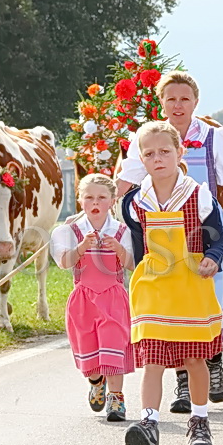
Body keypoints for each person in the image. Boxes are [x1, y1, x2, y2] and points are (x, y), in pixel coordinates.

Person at [116, 71, 223, 413]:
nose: (178, 105)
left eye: (184, 98)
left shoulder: (218, 137)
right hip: (161, 241)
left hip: (203, 237)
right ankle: (183, 386)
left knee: (209, 307)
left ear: (195, 102)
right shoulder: (149, 140)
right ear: (161, 102)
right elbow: (125, 189)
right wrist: (93, 216)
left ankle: (213, 365)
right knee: (170, 314)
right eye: (171, 98)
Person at [120, 121, 223, 445]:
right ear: (141, 159)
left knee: (194, 358)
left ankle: (199, 420)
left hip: (189, 283)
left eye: (165, 151)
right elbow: (139, 249)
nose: (158, 158)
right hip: (154, 283)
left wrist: (212, 258)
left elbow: (219, 237)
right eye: (149, 153)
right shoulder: (135, 202)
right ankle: (149, 424)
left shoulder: (199, 196)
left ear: (180, 152)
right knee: (152, 358)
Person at [51, 174, 134, 421]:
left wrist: (119, 249)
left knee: (113, 348)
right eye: (89, 197)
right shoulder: (69, 231)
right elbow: (64, 263)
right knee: (89, 350)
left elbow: (133, 264)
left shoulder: (121, 231)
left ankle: (116, 399)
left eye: (101, 197)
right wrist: (80, 248)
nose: (95, 202)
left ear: (112, 201)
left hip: (113, 299)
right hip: (83, 301)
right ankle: (96, 380)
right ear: (80, 200)